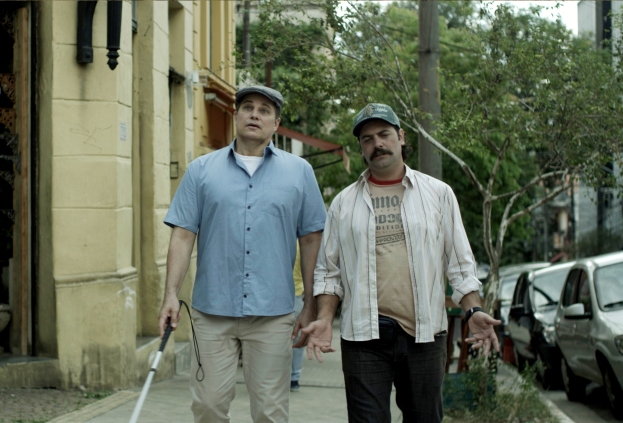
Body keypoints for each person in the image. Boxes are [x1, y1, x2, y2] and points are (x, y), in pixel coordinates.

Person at [304, 103, 501, 423]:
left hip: (425, 334)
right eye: (367, 139)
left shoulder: (438, 194)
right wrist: (324, 318)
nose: (377, 143)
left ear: (401, 137)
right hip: (363, 337)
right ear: (361, 148)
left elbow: (460, 265)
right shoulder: (343, 203)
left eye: (384, 134)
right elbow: (329, 272)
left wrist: (473, 310)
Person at [158, 85, 327, 423]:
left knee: (270, 411)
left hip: (272, 313)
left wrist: (310, 304)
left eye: (264, 110)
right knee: (207, 407)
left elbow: (311, 239)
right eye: (248, 107)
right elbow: (183, 235)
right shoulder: (201, 170)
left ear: (276, 124)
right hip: (211, 311)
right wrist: (170, 294)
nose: (254, 114)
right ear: (236, 116)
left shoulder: (299, 172)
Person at [291, 242, 305, 392]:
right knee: (297, 337)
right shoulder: (301, 242)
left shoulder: (300, 242)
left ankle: (293, 376)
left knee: (297, 336)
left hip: (295, 294)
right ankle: (294, 377)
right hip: (296, 295)